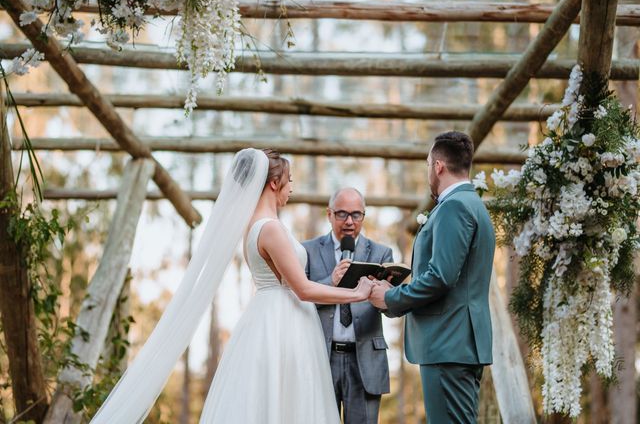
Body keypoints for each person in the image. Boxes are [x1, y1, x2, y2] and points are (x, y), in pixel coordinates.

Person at [90, 149, 374, 423]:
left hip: (271, 317)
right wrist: (356, 293)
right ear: (274, 183)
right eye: (289, 181)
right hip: (282, 323)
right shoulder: (271, 228)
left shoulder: (254, 225)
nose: (291, 188)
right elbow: (303, 289)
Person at [369, 131, 495, 424]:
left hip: (448, 342)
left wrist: (389, 297)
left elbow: (440, 277)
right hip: (459, 343)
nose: (428, 172)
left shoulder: (454, 207)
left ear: (438, 165)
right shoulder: (474, 204)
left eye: (428, 164)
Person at [303, 188, 394, 424]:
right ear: (329, 214)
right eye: (342, 214)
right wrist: (330, 282)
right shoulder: (308, 251)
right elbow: (298, 300)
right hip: (322, 357)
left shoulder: (381, 253)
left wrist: (385, 296)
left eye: (357, 214)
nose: (350, 222)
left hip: (365, 360)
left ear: (364, 215)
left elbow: (393, 310)